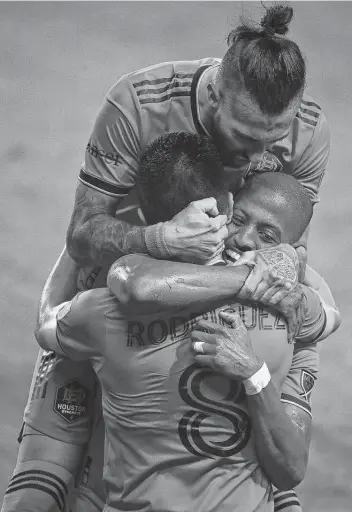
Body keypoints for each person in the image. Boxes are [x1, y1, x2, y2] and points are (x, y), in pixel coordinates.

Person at [33, 133, 333, 512]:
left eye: (266, 234)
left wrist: (83, 235)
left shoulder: (102, 312)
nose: (243, 240)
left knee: (36, 492)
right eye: (239, 220)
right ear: (225, 206)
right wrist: (255, 370)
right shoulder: (293, 316)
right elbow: (290, 469)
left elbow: (48, 320)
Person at [65, 3, 329, 276]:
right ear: (213, 95)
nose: (257, 157)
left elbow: (293, 247)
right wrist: (160, 239)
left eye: (276, 138)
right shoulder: (137, 105)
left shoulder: (310, 131)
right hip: (123, 270)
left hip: (238, 271)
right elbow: (80, 238)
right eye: (243, 136)